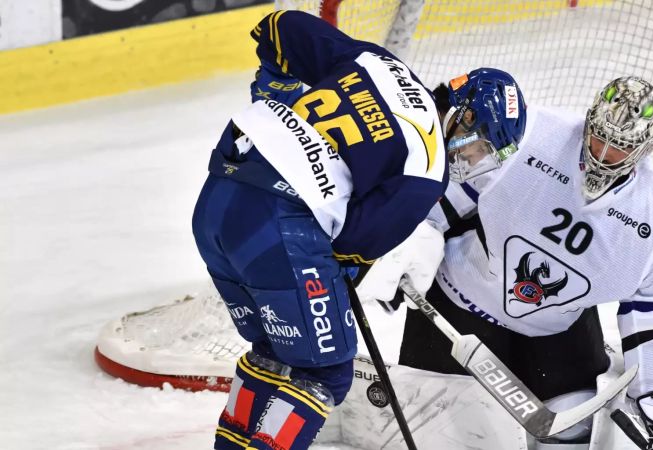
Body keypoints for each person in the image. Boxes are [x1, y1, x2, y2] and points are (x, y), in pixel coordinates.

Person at [191, 10, 525, 450]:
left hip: (218, 198)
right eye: (480, 144)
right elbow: (347, 248)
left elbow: (282, 27)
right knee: (326, 370)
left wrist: (275, 92)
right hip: (274, 228)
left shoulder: (381, 64)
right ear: (461, 117)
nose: (473, 160)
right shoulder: (427, 170)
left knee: (279, 350)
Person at [359, 76, 653, 449]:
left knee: (571, 435)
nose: (602, 154)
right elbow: (452, 182)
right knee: (434, 431)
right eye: (599, 137)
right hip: (456, 306)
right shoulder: (529, 131)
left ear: (646, 147)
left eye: (618, 147)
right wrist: (414, 232)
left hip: (558, 334)